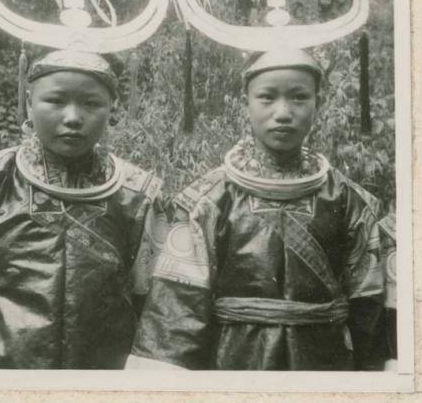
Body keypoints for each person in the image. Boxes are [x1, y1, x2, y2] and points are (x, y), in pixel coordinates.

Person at [127, 48, 389, 371]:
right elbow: (178, 310)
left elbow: (369, 305)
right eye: (267, 97)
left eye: (299, 97)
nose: (283, 112)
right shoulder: (207, 199)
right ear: (245, 103)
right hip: (233, 362)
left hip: (326, 364)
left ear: (317, 103)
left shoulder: (349, 201)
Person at [0, 50, 166, 369]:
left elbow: (154, 303)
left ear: (111, 109)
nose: (74, 117)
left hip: (105, 370)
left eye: (91, 103)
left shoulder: (139, 193)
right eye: (55, 101)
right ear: (29, 102)